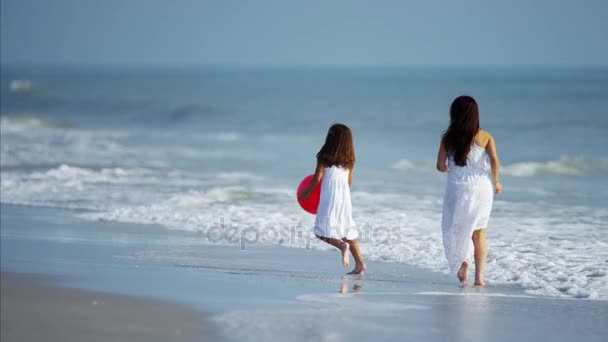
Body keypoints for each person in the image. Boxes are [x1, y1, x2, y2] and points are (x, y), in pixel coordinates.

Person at [436, 96, 502, 286]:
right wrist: (496, 181)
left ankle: (463, 263)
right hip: (481, 189)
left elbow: (440, 166)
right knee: (479, 232)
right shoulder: (486, 136)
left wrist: (451, 169)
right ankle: (479, 277)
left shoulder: (447, 138)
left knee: (457, 229)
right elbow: (495, 161)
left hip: (457, 189)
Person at [298, 123, 366, 274]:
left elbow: (316, 179)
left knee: (320, 231)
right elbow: (349, 183)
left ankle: (342, 246)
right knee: (347, 231)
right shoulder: (350, 160)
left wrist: (306, 193)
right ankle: (360, 264)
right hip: (345, 198)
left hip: (330, 196)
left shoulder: (324, 156)